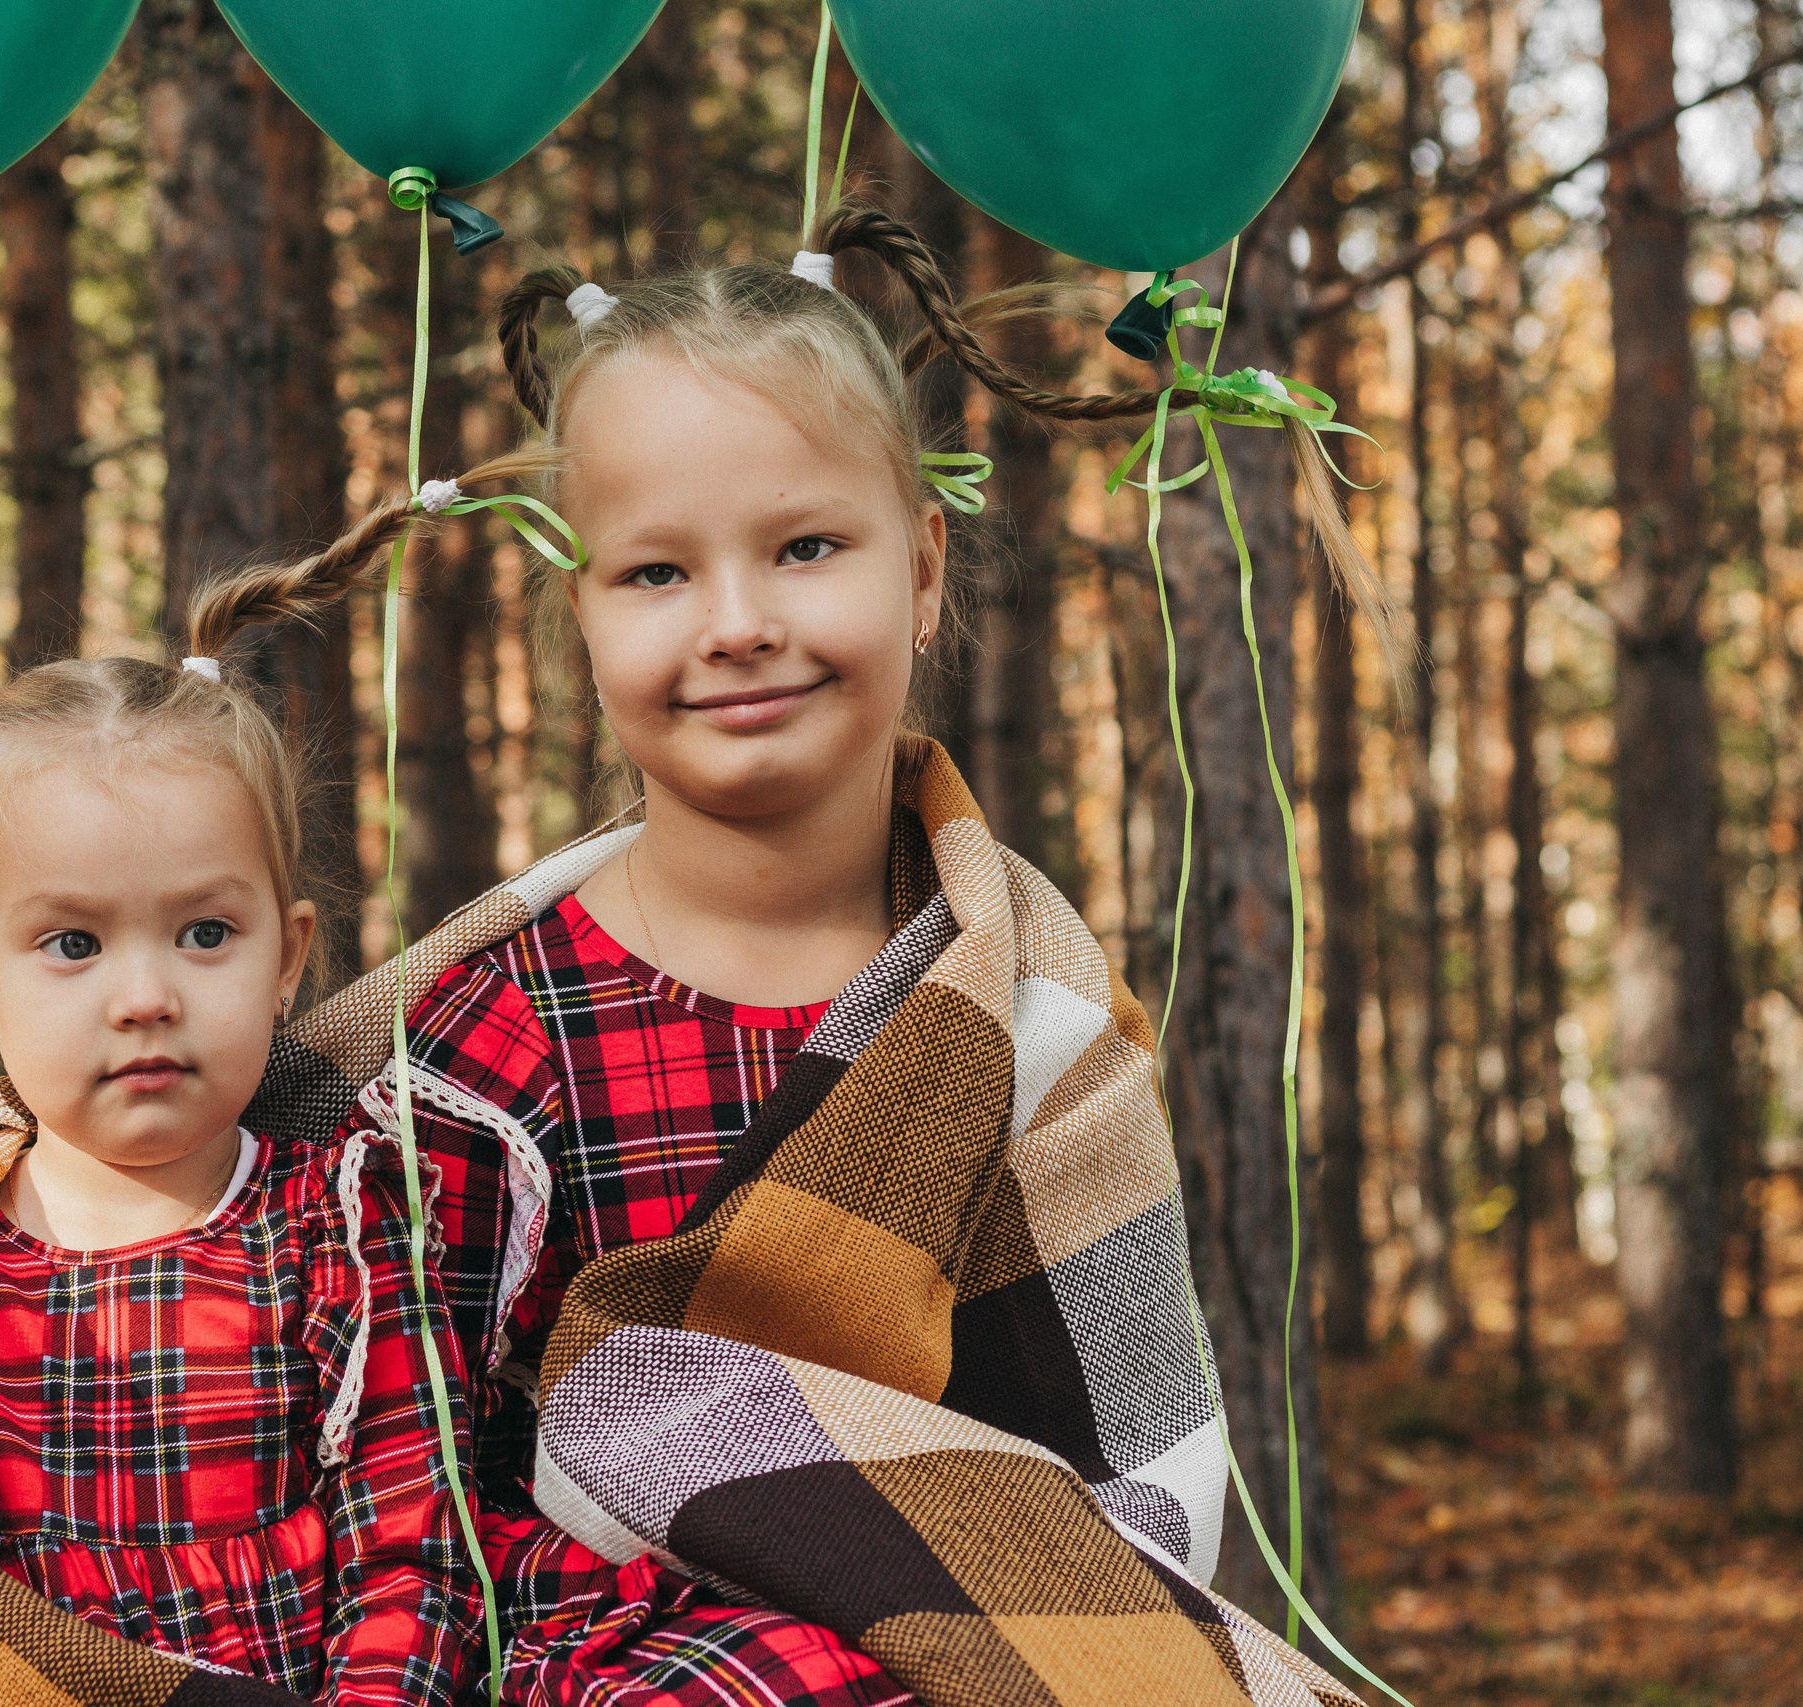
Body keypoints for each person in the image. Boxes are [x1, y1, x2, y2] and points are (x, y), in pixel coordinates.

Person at [313, 203, 1361, 1707]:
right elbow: (381, 1472)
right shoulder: (489, 1036)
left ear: (924, 568)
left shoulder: (1030, 1020)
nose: (738, 623)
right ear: (581, 615)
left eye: (807, 546)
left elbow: (1132, 1476)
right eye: (655, 572)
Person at [0, 456, 543, 1707]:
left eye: (205, 934)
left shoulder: (344, 1226)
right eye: (73, 945)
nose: (145, 996)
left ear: (287, 959)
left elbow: (411, 1545)